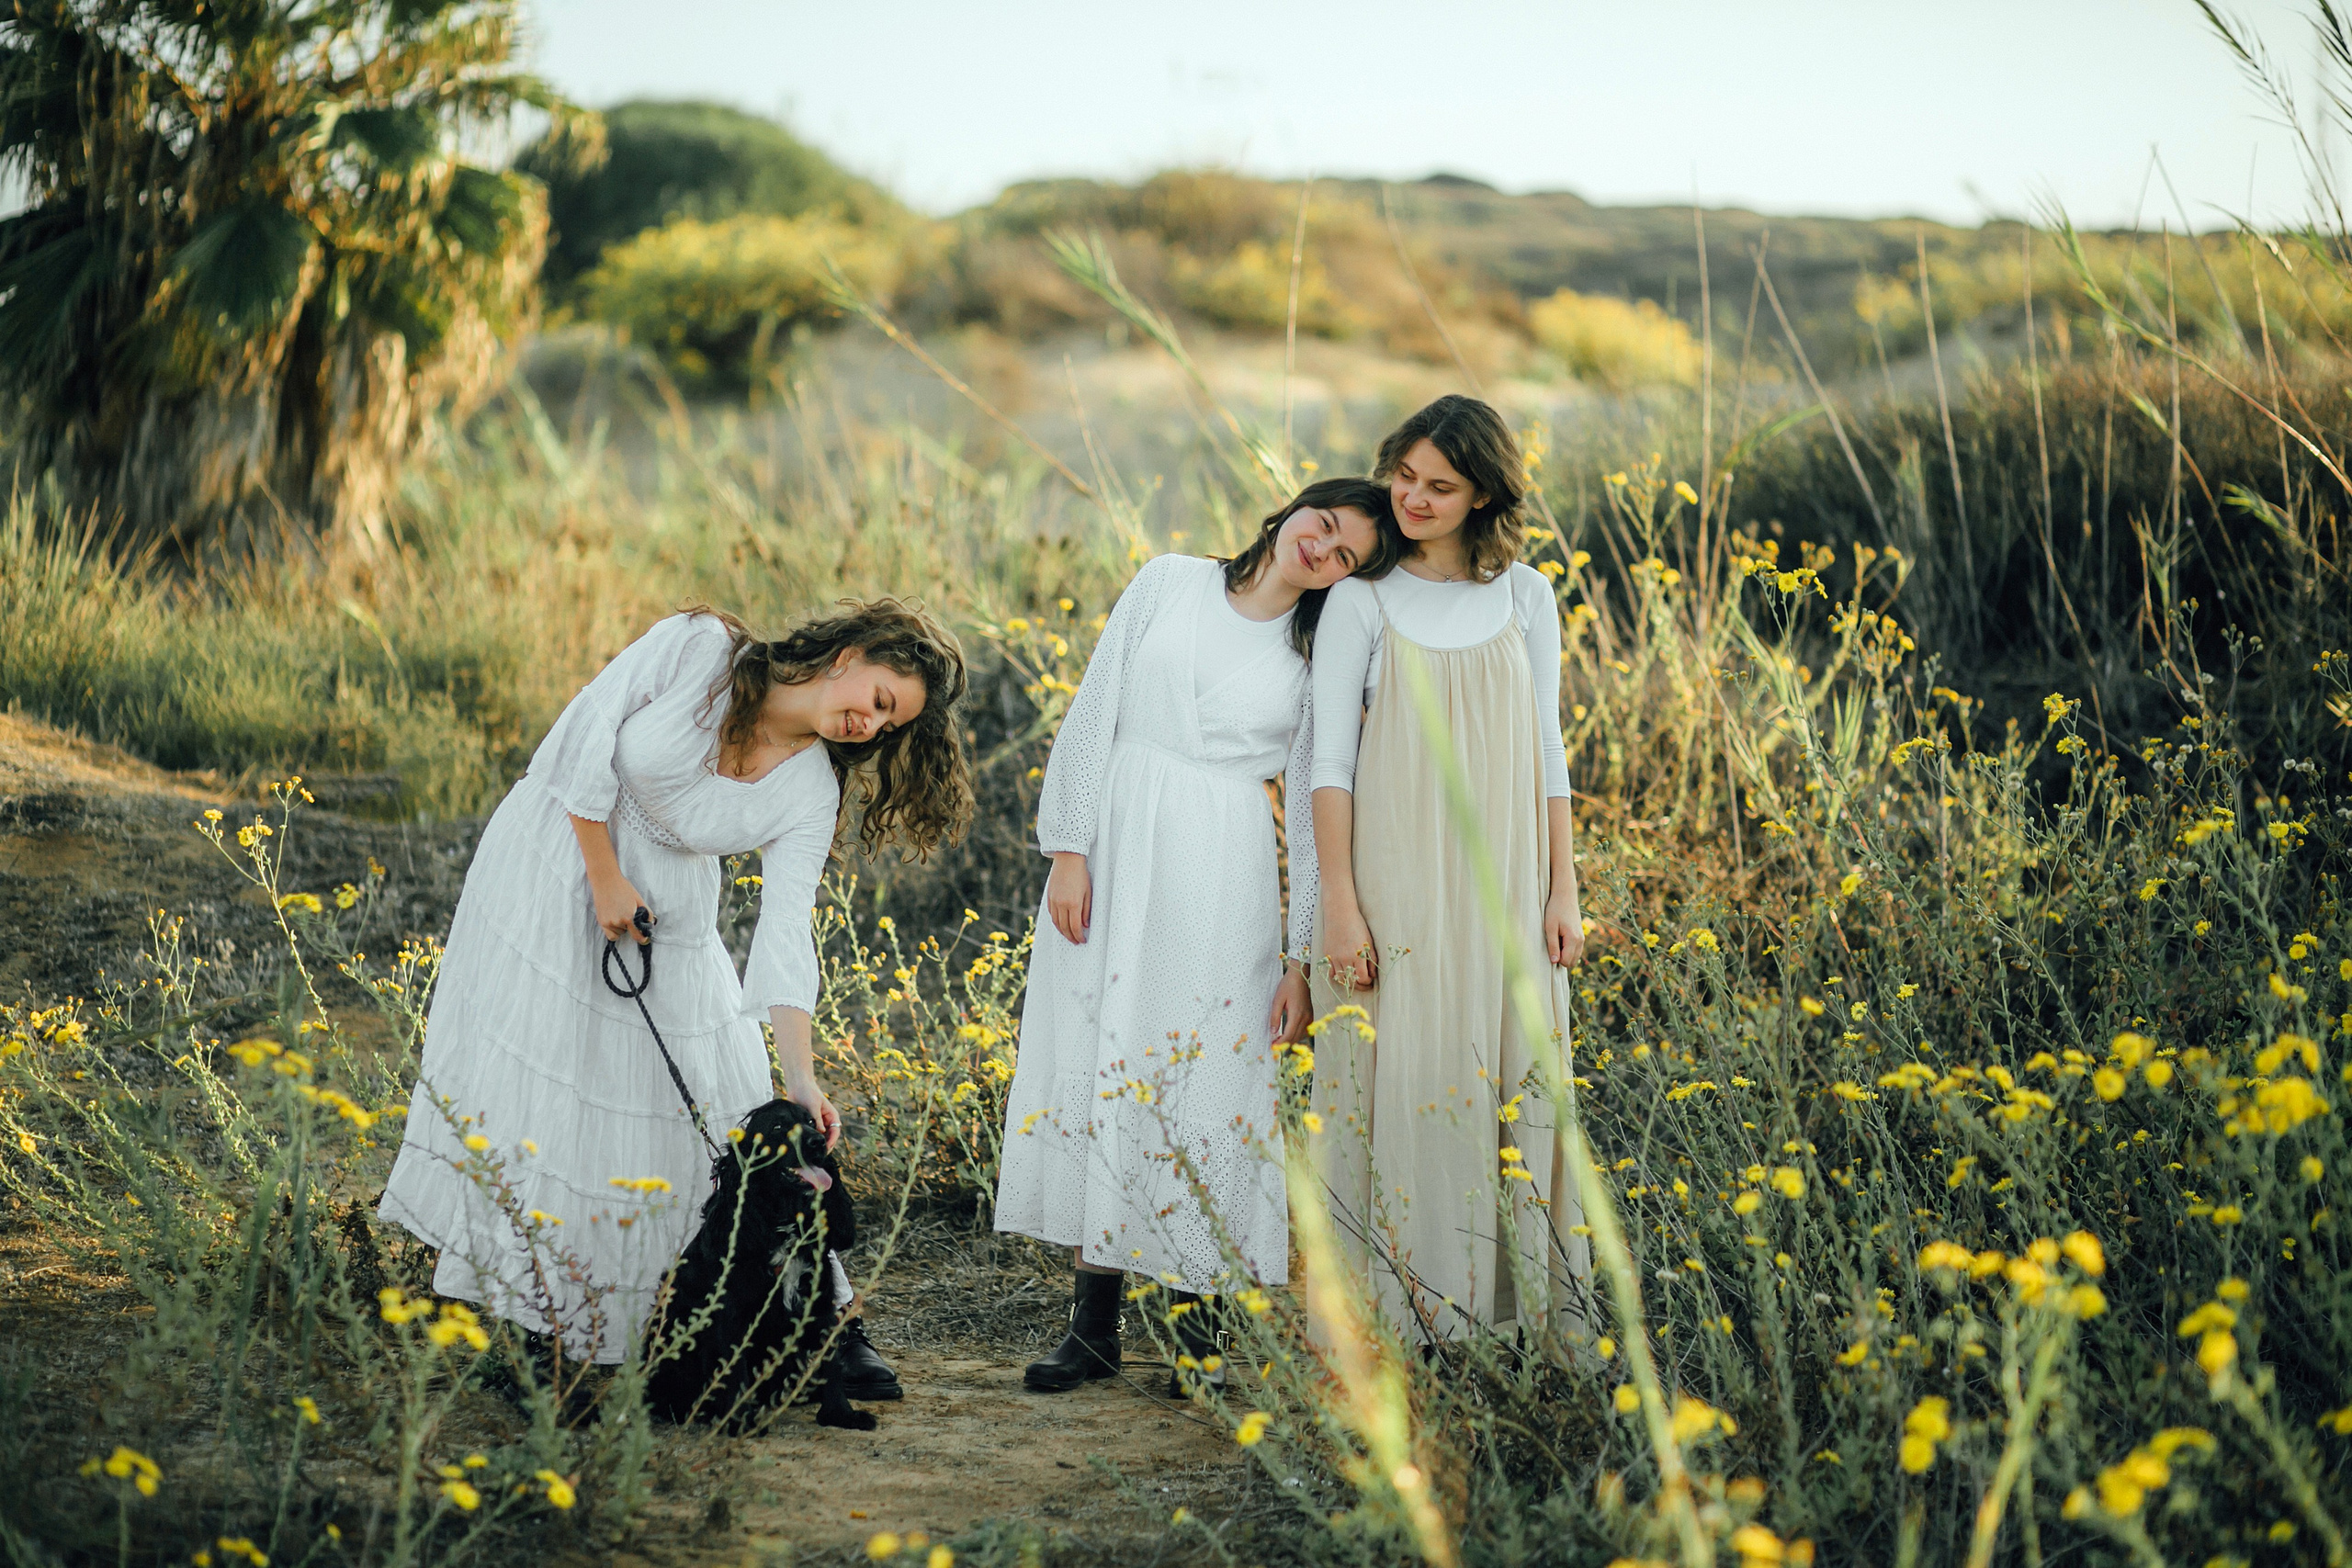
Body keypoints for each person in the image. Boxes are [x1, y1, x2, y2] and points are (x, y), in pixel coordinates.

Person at [379, 601, 973, 1396]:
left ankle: (830, 1321)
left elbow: (785, 931)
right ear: (850, 654)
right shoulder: (702, 650)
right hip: (561, 854)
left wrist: (801, 1079)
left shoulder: (809, 789)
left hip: (669, 912)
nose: (869, 723)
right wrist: (603, 874)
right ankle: (534, 1324)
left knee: (730, 1097)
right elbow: (584, 732)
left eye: (889, 723)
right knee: (550, 1096)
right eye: (878, 697)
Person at [995, 479, 1403, 1394]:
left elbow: (1304, 804)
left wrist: (1299, 954)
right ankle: (1091, 1330)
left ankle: (1195, 1335)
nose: (1322, 552)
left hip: (1221, 874)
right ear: (1293, 510)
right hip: (1112, 850)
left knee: (1204, 1085)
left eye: (1345, 558)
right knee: (1106, 1064)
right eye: (1324, 527)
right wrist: (1067, 849)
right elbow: (1095, 710)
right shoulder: (1167, 580)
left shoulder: (1314, 655)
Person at [1306, 395, 1589, 1342]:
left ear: (1481, 496)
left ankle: (1504, 1326)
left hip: (1507, 885)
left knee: (1506, 1087)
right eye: (1404, 477)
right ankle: (1399, 1325)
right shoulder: (1362, 598)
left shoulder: (1526, 596)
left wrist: (1563, 890)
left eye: (1440, 485)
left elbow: (1547, 753)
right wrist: (1339, 909)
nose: (1414, 498)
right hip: (1396, 889)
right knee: (1409, 1086)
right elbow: (1328, 768)